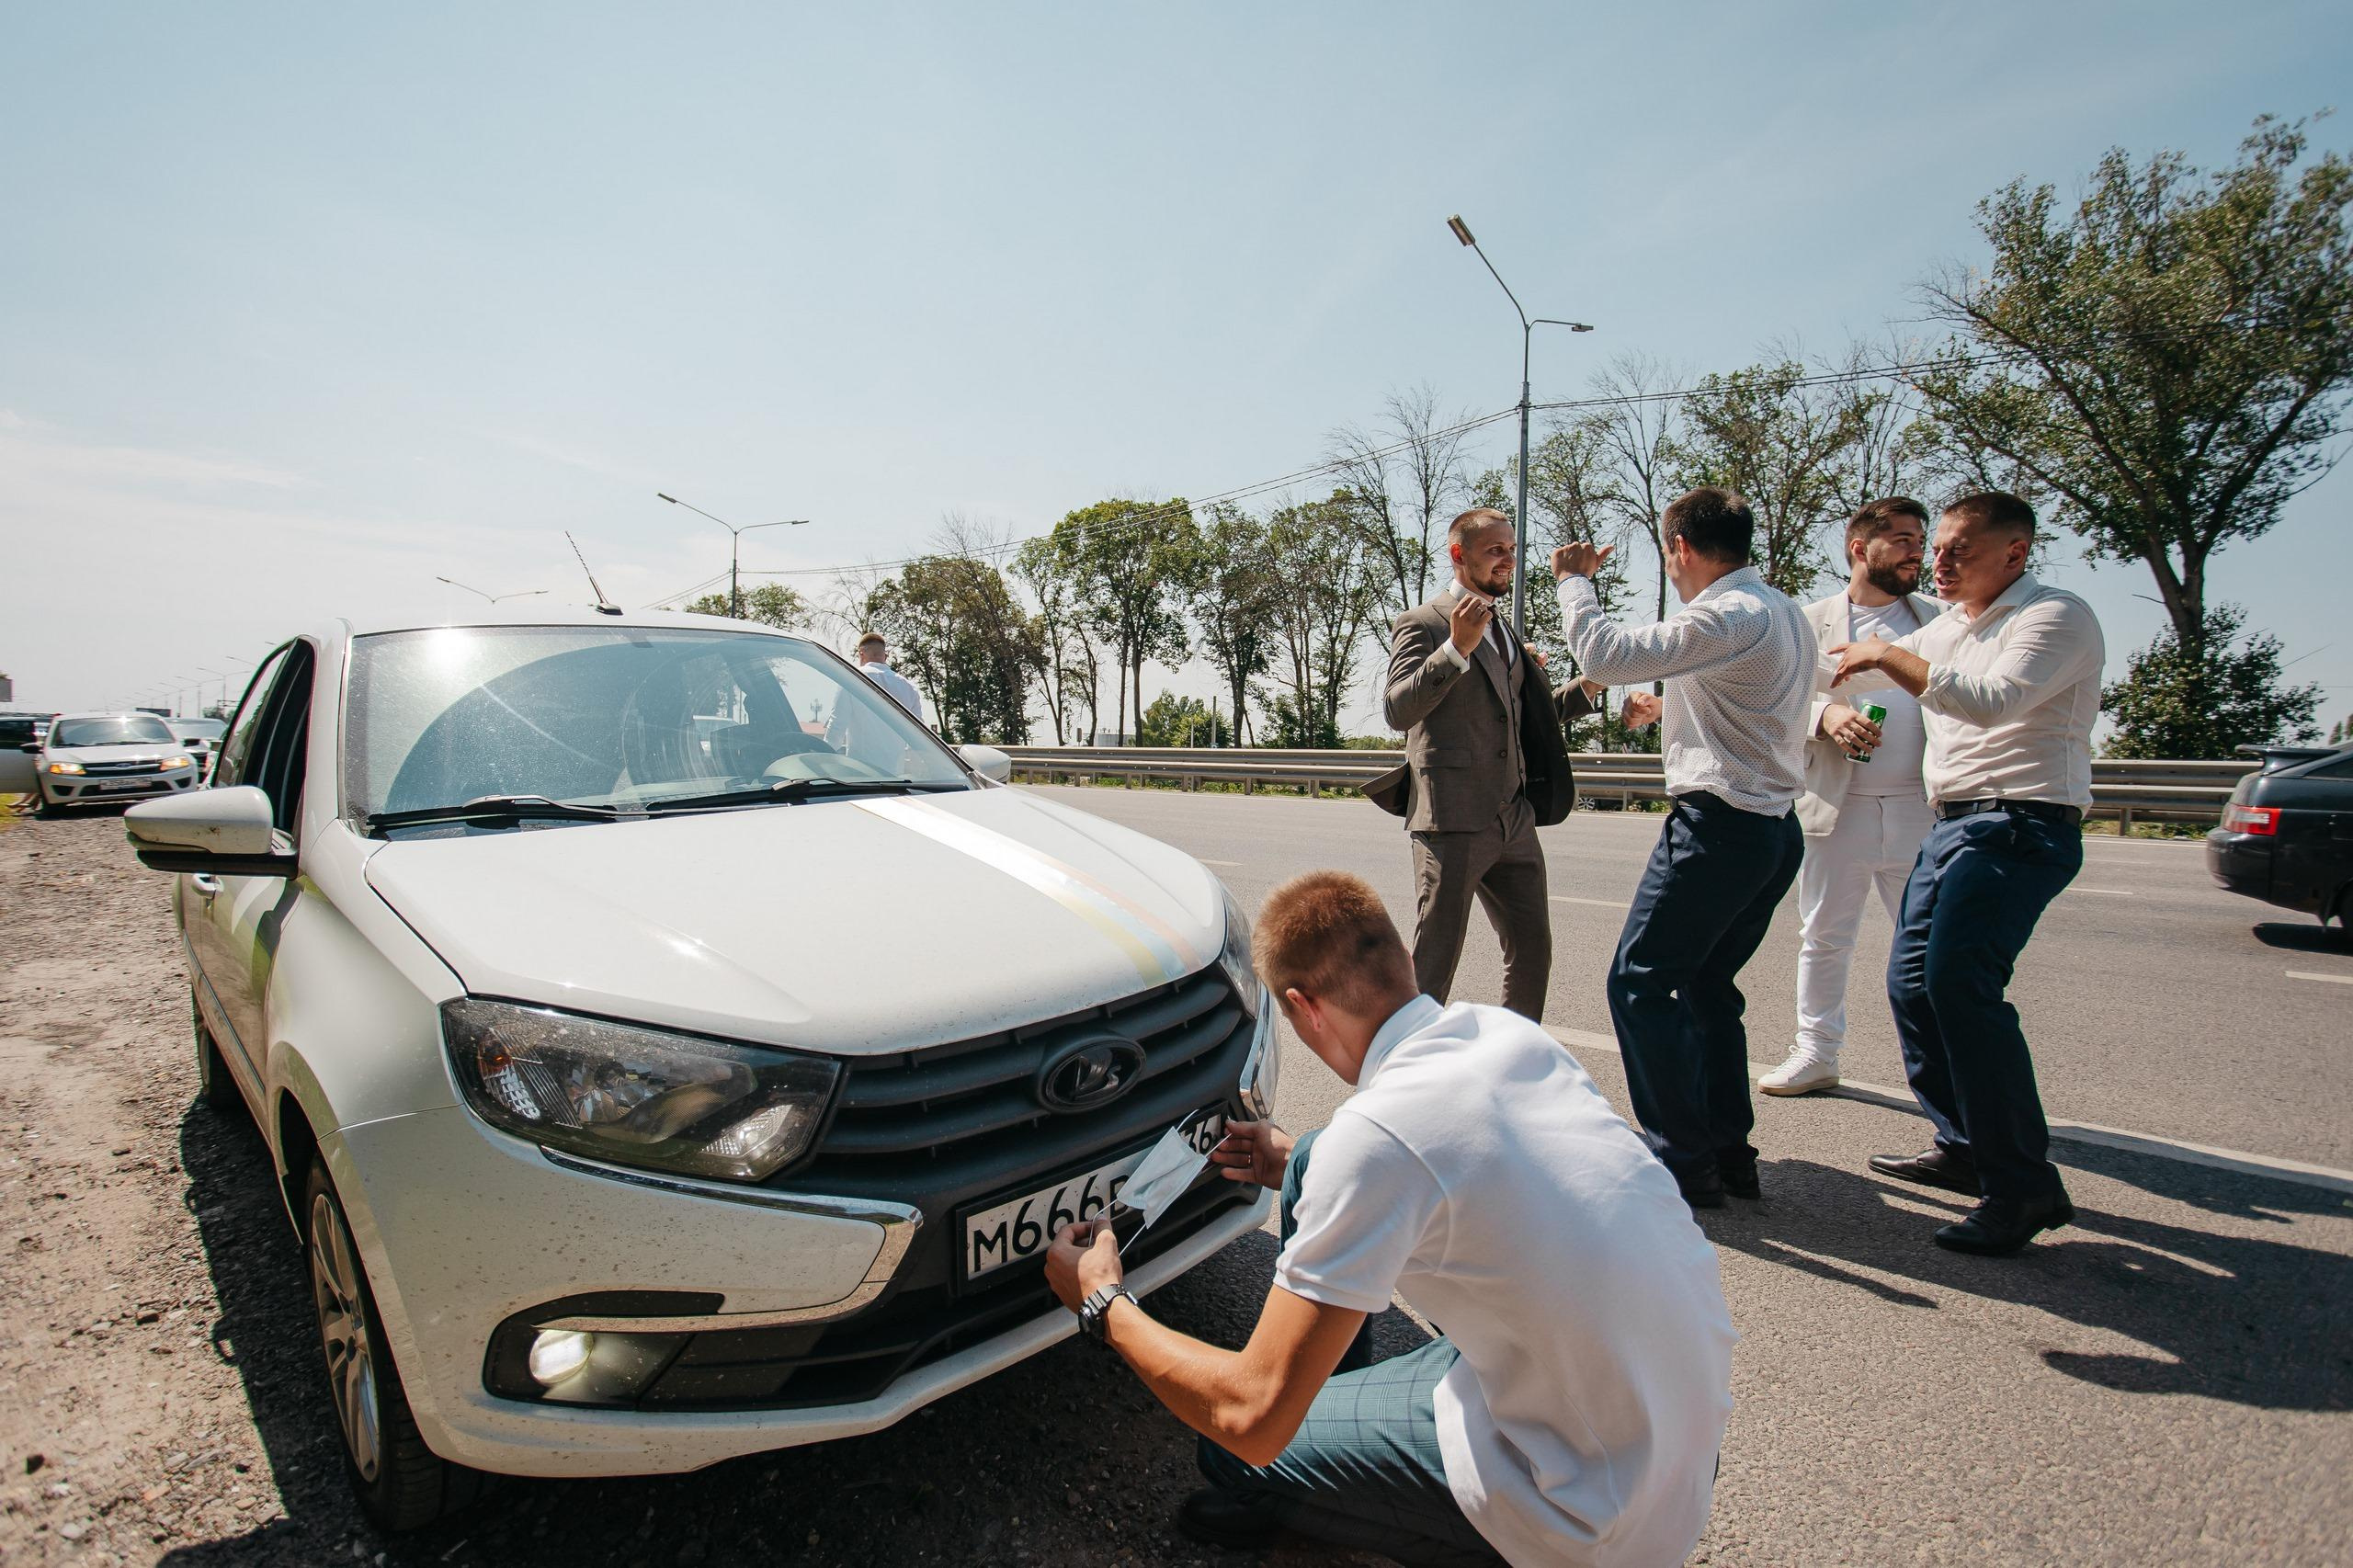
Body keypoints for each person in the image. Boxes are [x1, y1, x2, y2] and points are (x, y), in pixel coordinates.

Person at [1043, 870, 1735, 1567]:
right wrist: (1306, 1160)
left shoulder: (1375, 1140)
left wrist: (1104, 1300)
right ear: (1402, 956)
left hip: (1594, 1511)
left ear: (1303, 1006)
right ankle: (1340, 1410)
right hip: (1678, 1435)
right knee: (1317, 1157)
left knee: (1233, 1451)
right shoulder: (1505, 1036)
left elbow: (1247, 1416)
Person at [1827, 490, 2103, 1256]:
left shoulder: (2055, 617)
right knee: (1912, 985)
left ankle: (2023, 1187)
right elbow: (1843, 680)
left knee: (1960, 987)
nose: (1936, 561)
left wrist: (1884, 653)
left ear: (2015, 553)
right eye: (1936, 547)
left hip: (2021, 824)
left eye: (1957, 550)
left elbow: (1991, 702)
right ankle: (1964, 1145)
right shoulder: (1946, 626)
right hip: (1951, 826)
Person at [1551, 488, 1815, 1209]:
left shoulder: (1728, 613)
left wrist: (1575, 581)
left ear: (1681, 549)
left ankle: (1680, 1161)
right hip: (1771, 829)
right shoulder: (1784, 611)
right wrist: (1668, 710)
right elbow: (1747, 704)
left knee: (1638, 983)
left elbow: (1606, 652)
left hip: (1719, 828)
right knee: (1704, 988)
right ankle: (1729, 1153)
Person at [1378, 507, 1600, 1018]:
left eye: (1513, 549)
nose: (1509, 560)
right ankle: (1407, 1066)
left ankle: (1517, 1055)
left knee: (1533, 952)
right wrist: (1456, 648)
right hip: (1451, 819)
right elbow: (1398, 709)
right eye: (1495, 550)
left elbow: (1523, 716)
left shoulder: (1504, 630)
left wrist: (1590, 685)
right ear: (1459, 555)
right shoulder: (1424, 623)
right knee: (1435, 959)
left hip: (1513, 819)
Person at [1760, 497, 1944, 1096]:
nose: (1917, 549)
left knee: (1932, 946)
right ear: (1859, 549)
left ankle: (1948, 1070)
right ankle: (1816, 1053)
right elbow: (1770, 702)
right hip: (1840, 805)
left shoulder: (1940, 622)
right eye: (1901, 538)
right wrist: (1825, 715)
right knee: (1824, 933)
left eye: (1921, 538)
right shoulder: (1808, 623)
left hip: (1924, 809)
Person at [852, 631, 924, 720]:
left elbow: (838, 722)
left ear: (861, 654)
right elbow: (917, 727)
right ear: (885, 656)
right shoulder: (909, 687)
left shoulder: (853, 678)